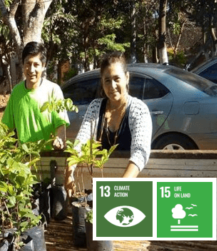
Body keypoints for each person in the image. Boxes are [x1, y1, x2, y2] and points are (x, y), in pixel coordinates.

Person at [65, 52, 152, 196]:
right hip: (97, 189)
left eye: (117, 79)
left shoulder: (139, 109)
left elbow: (140, 153)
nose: (112, 86)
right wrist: (69, 171)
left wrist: (118, 189)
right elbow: (80, 143)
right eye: (107, 80)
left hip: (131, 190)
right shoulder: (95, 107)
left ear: (127, 78)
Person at [2, 41, 69, 150]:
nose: (31, 70)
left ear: (43, 66)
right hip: (23, 161)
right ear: (23, 65)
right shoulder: (16, 92)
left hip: (48, 159)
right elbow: (6, 128)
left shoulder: (53, 90)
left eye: (36, 64)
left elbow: (60, 124)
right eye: (28, 64)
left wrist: (59, 140)